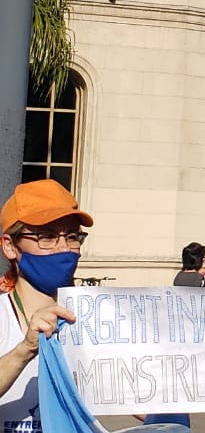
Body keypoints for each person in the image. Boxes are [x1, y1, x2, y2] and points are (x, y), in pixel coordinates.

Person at [0, 179, 85, 431]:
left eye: (72, 236)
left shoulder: (97, 322)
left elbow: (145, 406)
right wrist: (25, 349)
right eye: (46, 236)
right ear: (9, 246)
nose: (64, 248)